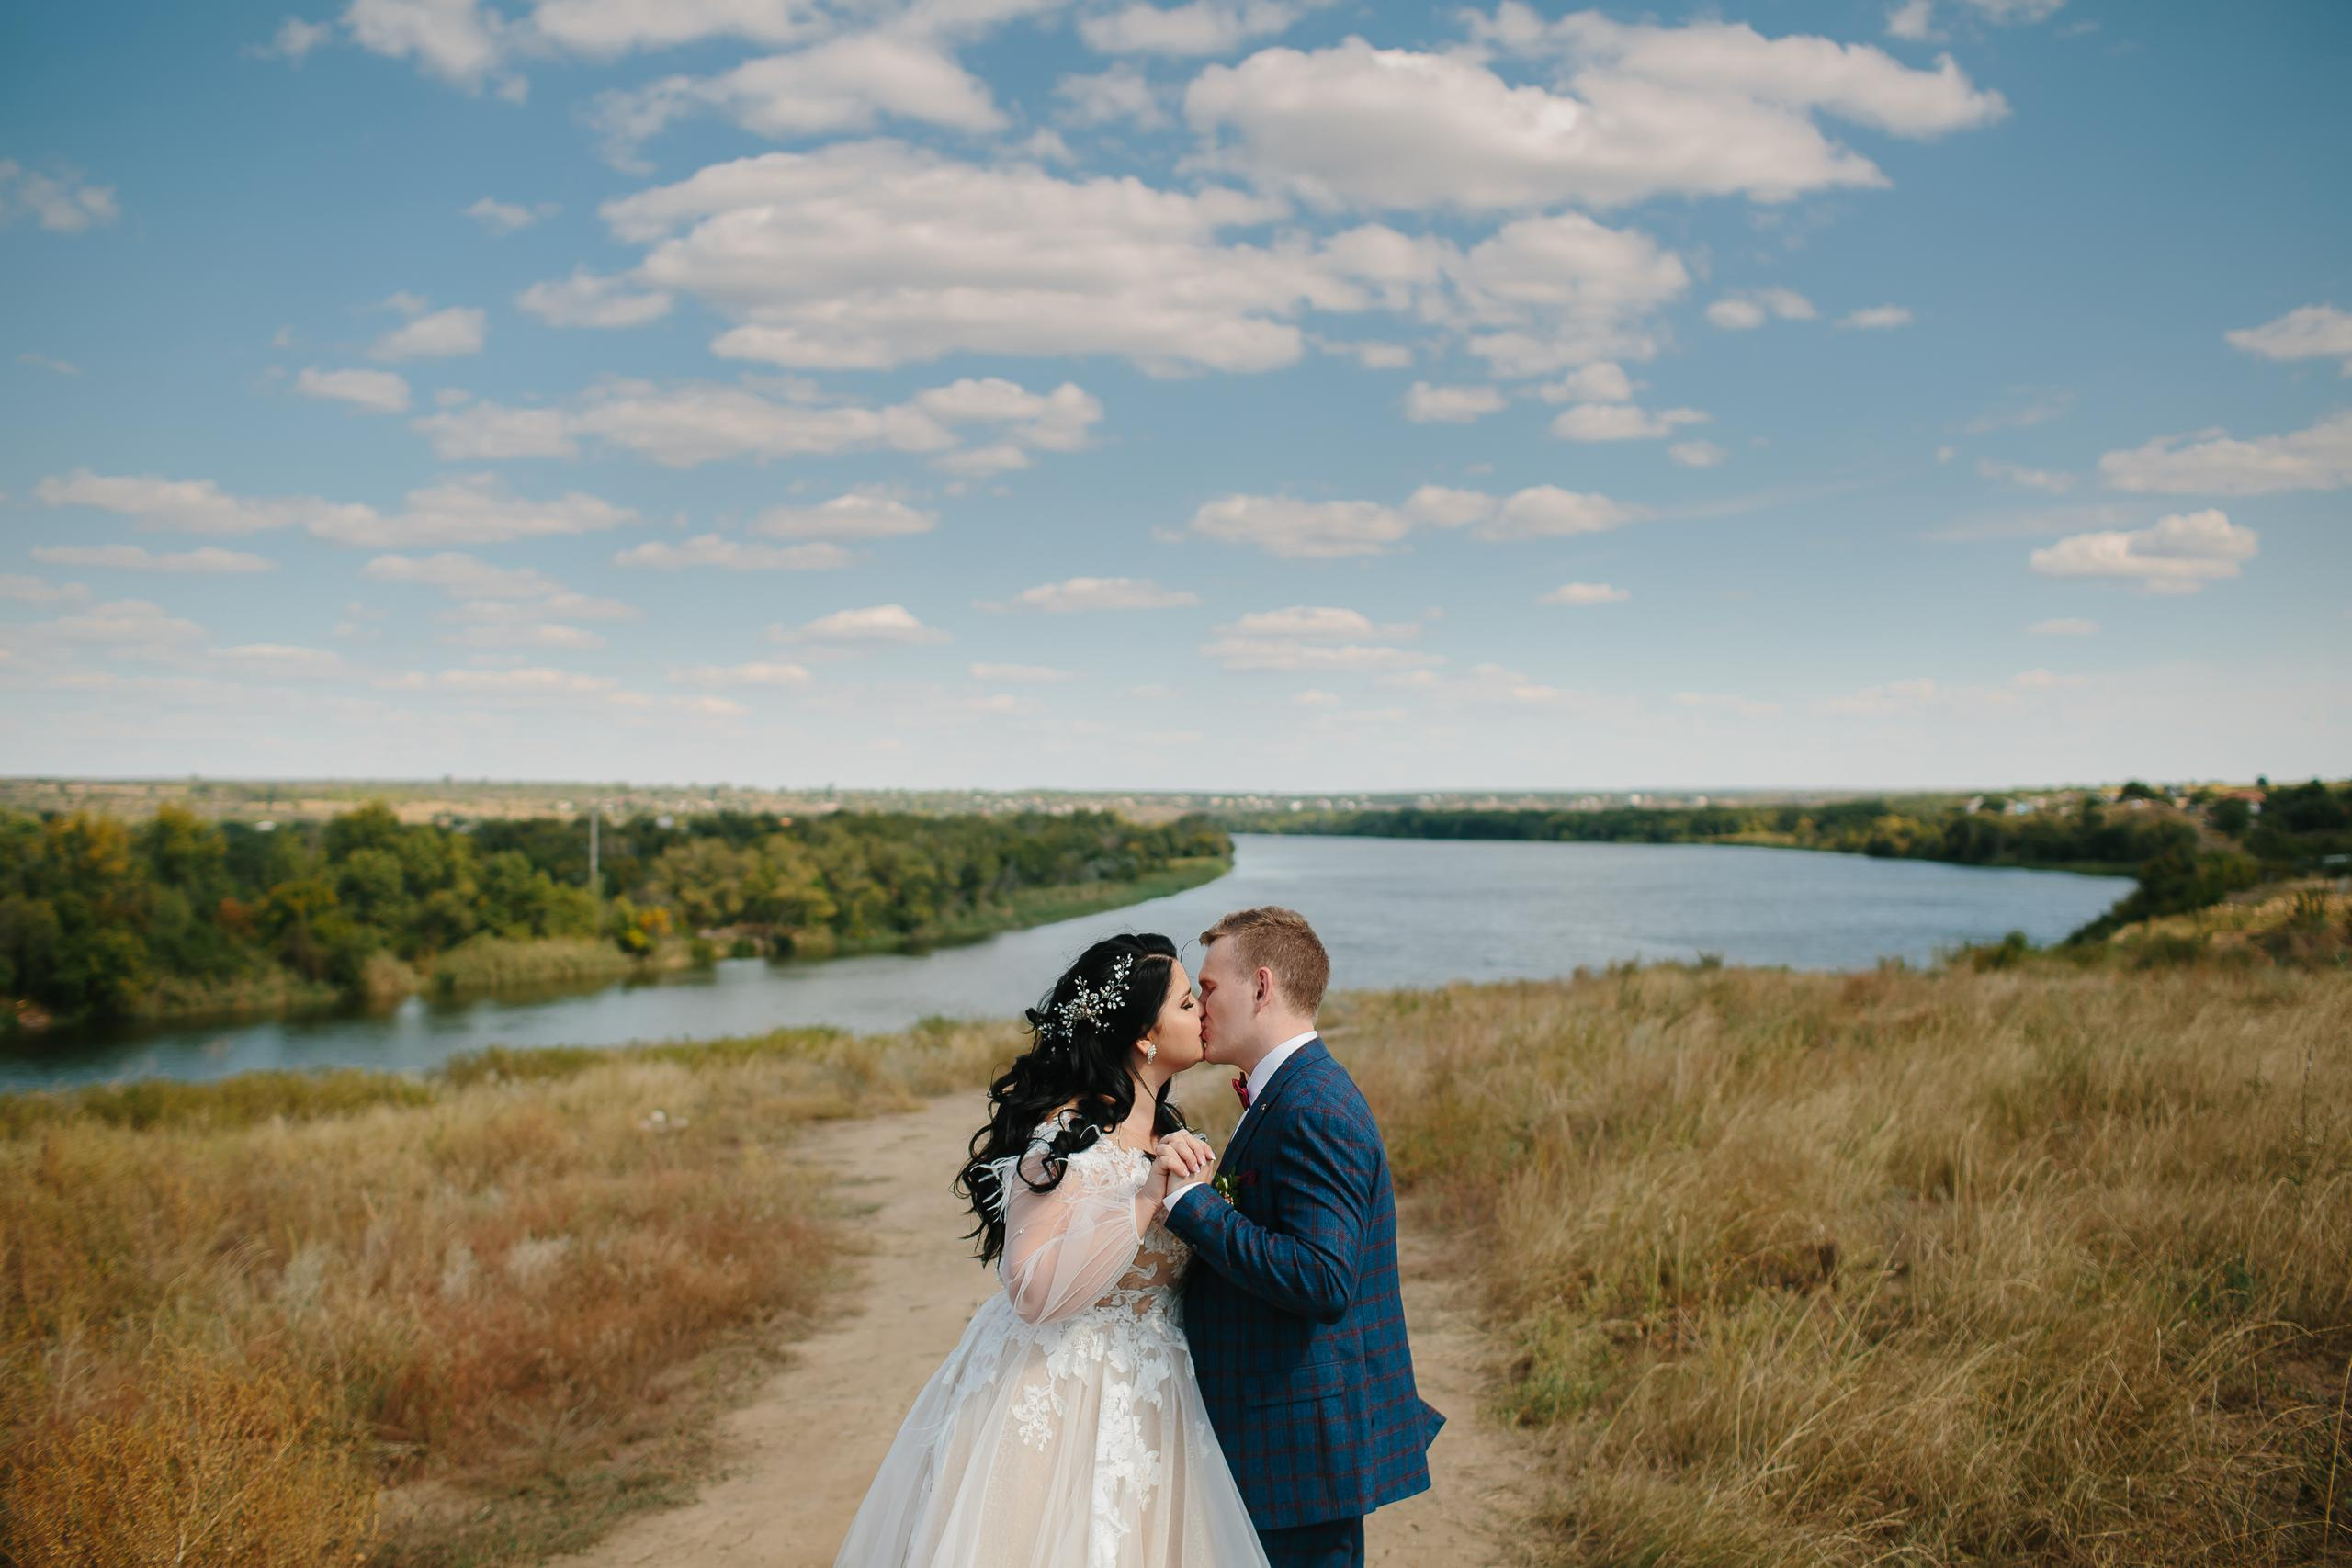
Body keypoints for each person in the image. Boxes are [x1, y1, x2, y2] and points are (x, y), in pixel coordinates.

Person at [832, 932, 1260, 1568]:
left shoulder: (1174, 1134)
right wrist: (1144, 1196)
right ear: (1144, 1033)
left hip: (1158, 1396)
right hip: (1060, 1390)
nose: (1201, 1009)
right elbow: (1031, 1289)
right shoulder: (1063, 1139)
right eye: (1183, 1001)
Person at [1154, 907, 1443, 1568]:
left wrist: (1192, 1206)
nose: (1199, 1006)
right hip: (1284, 1442)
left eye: (1210, 988)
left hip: (1300, 1451)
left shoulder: (1313, 1105)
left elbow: (1322, 1277)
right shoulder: (1291, 1092)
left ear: (1261, 986)